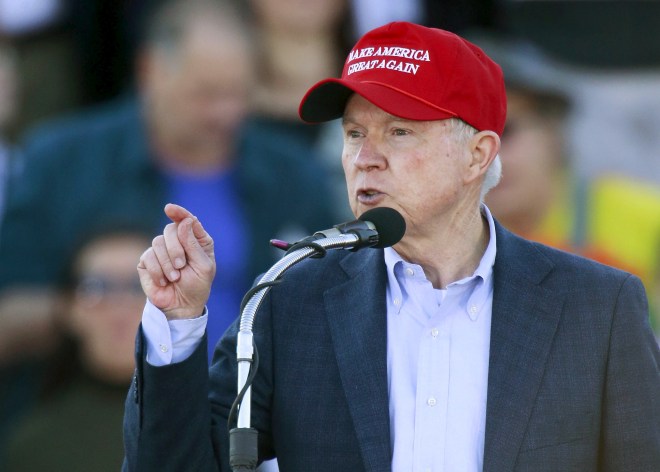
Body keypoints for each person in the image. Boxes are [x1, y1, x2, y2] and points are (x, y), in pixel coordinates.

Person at [123, 22, 660, 471]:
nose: (365, 157)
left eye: (399, 132)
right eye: (354, 134)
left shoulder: (598, 306)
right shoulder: (288, 298)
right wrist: (178, 323)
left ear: (477, 155)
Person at [0, 0, 337, 367]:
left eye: (238, 94)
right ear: (150, 71)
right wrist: (82, 308)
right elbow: (12, 306)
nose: (224, 113)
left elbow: (330, 299)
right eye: (205, 94)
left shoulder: (293, 172)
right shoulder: (63, 164)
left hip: (253, 408)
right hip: (106, 409)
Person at [476, 36, 660, 337]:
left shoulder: (648, 217)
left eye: (504, 131)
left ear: (554, 130)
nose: (488, 159)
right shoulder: (425, 246)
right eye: (468, 141)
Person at [3, 224, 150, 471]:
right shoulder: (35, 444)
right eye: (96, 288)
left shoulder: (213, 421)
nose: (120, 306)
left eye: (140, 287)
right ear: (68, 309)